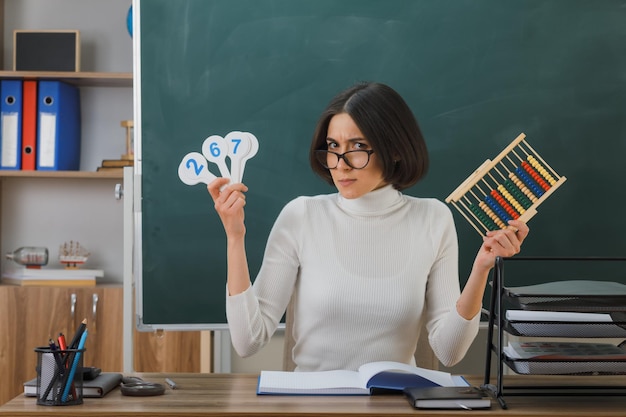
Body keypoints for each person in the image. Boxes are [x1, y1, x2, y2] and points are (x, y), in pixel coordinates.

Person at [207, 81, 529, 372]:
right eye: (333, 147)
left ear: (395, 150)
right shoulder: (301, 216)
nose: (341, 164)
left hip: (395, 404)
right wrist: (235, 238)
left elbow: (449, 351)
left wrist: (482, 267)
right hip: (311, 406)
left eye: (358, 147)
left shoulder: (433, 218)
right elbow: (248, 341)